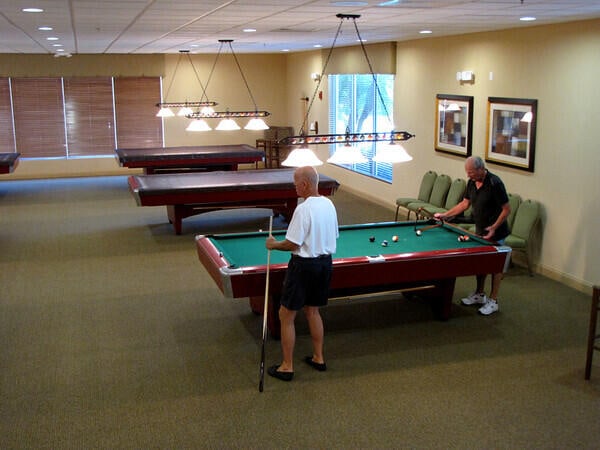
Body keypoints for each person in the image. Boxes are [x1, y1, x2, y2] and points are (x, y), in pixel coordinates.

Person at [265, 165, 339, 381]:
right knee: (313, 311)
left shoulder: (303, 209)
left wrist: (273, 244)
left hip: (303, 267)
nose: (294, 186)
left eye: (295, 182)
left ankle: (287, 366)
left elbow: (291, 243)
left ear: (305, 184)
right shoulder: (329, 204)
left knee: (286, 315)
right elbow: (334, 235)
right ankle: (318, 357)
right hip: (325, 264)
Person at [434, 156, 510, 316]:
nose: (469, 176)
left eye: (471, 173)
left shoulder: (495, 183)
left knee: (496, 267)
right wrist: (445, 215)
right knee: (482, 263)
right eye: (467, 173)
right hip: (481, 229)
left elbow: (506, 209)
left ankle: (493, 300)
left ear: (481, 169)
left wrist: (494, 227)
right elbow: (465, 204)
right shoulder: (471, 183)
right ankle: (479, 294)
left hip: (496, 231)